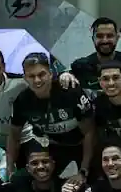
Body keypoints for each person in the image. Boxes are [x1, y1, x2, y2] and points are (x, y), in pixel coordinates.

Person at [9, 53, 96, 183]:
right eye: (31, 76)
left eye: (41, 74)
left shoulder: (70, 91)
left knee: (85, 183)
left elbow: (90, 132)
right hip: (55, 146)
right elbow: (13, 136)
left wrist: (84, 169)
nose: (37, 80)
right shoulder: (22, 101)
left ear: (50, 74)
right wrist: (10, 170)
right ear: (25, 78)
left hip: (83, 144)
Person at [66, 17, 121, 90]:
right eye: (100, 36)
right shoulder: (80, 67)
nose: (105, 40)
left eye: (109, 36)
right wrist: (64, 76)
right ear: (93, 39)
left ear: (117, 38)